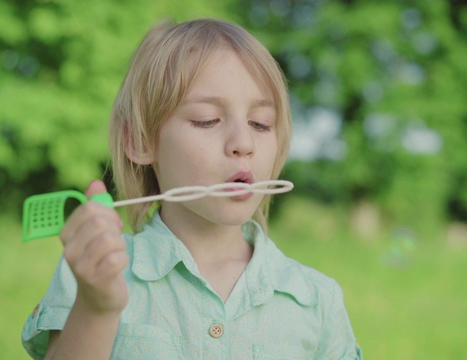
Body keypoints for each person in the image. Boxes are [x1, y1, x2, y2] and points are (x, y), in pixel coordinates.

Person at [21, 18, 362, 359]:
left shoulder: (317, 300)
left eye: (260, 123)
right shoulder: (94, 274)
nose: (243, 143)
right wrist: (96, 309)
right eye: (207, 120)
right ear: (140, 141)